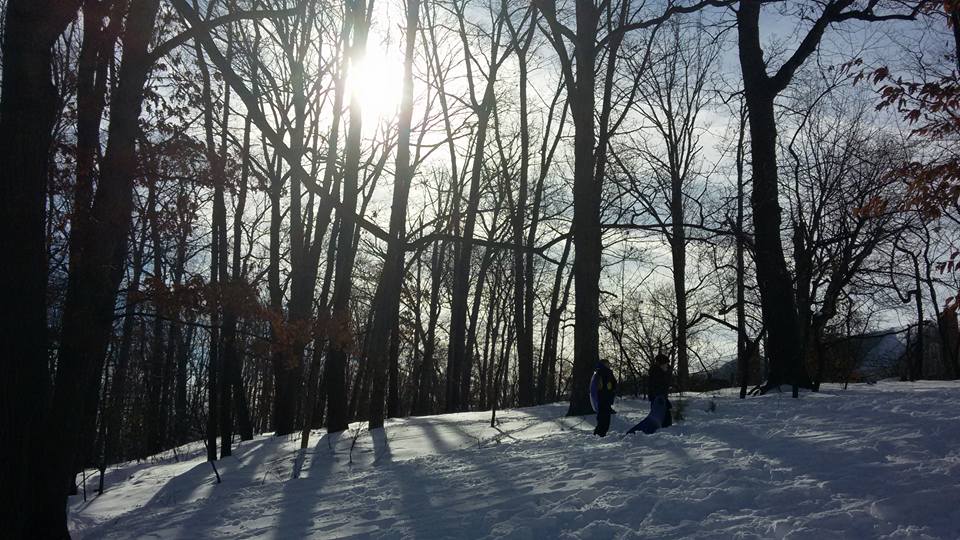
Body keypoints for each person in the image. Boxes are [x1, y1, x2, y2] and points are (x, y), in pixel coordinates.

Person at [647, 353, 673, 428]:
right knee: (662, 418)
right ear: (661, 364)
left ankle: (665, 429)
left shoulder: (661, 372)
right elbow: (656, 387)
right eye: (665, 364)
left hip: (661, 398)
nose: (667, 366)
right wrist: (659, 397)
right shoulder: (656, 373)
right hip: (658, 399)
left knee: (666, 416)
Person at [593, 360, 617, 437]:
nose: (609, 365)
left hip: (600, 398)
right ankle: (601, 434)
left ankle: (598, 433)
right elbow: (612, 384)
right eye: (607, 364)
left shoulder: (597, 372)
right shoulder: (606, 372)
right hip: (605, 398)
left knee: (601, 417)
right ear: (604, 364)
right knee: (605, 418)